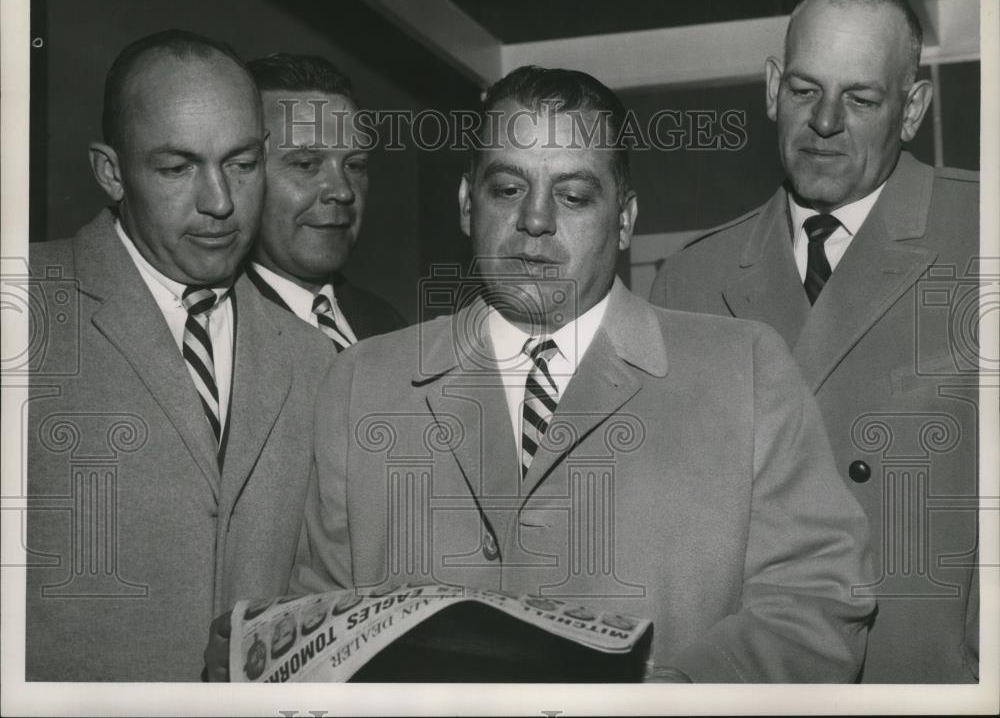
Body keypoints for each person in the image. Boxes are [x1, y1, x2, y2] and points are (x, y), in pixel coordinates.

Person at [278, 66, 877, 682]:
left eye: (573, 196)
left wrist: (679, 697)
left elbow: (817, 601)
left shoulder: (744, 370)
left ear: (624, 220)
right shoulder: (362, 383)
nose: (536, 220)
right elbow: (321, 618)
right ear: (466, 203)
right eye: (508, 189)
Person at [651, 0, 979, 683]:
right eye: (804, 91)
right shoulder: (688, 282)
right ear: (771, 89)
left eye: (861, 99)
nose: (825, 121)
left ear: (913, 108)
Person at [25, 31, 335, 681]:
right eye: (176, 168)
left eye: (243, 164)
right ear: (110, 171)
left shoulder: (314, 359)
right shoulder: (20, 308)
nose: (220, 202)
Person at [243, 53, 405, 346]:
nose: (343, 191)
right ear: (242, 172)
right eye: (306, 164)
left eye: (354, 165)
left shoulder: (387, 326)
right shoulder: (219, 334)